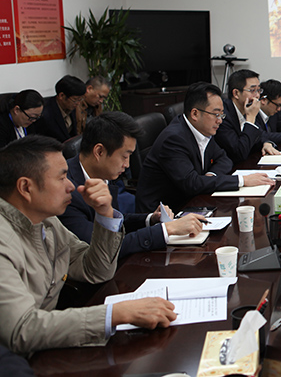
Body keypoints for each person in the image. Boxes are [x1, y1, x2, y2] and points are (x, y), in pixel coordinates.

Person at [0, 136, 177, 355]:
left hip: (45, 349)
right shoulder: (4, 239)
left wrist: (105, 216)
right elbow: (21, 330)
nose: (71, 186)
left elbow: (95, 270)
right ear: (26, 187)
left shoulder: (47, 221)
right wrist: (114, 314)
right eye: (61, 178)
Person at [59, 112, 206, 260]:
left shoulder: (103, 172)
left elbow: (113, 221)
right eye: (124, 156)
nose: (127, 164)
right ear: (99, 151)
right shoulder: (67, 191)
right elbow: (105, 248)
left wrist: (150, 219)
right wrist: (167, 230)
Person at [135, 82, 274, 213]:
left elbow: (224, 158)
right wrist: (242, 181)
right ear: (195, 114)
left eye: (222, 114)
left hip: (193, 202)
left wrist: (210, 176)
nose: (220, 120)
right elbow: (192, 184)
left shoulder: (202, 129)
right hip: (164, 213)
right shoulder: (174, 139)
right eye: (216, 114)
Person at [216, 69, 281, 164]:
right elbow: (239, 153)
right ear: (236, 93)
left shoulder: (248, 108)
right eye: (252, 90)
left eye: (258, 90)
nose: (257, 96)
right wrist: (250, 119)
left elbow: (260, 135)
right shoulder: (223, 116)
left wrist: (266, 143)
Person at [32, 75, 86, 142]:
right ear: (61, 96)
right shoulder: (45, 114)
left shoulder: (71, 106)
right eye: (75, 100)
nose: (78, 103)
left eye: (80, 99)